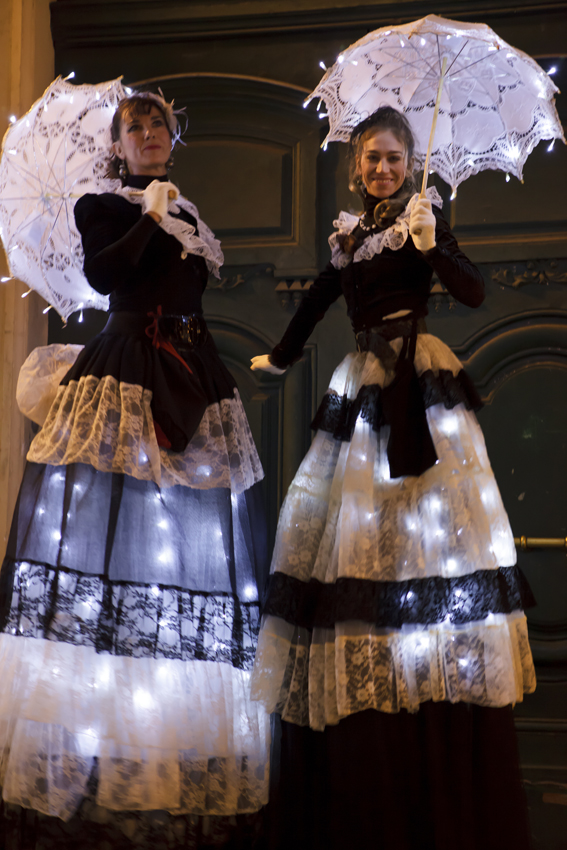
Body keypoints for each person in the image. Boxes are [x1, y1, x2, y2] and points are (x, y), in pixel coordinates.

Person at [249, 106, 536, 850]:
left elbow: (471, 291)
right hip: (365, 383)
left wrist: (432, 244)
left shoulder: (422, 216)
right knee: (358, 536)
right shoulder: (349, 234)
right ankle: (373, 696)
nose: (383, 168)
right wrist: (280, 356)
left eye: (394, 157)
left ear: (411, 162)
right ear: (355, 165)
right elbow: (318, 297)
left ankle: (430, 688)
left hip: (421, 382)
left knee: (429, 535)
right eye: (372, 158)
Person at [0, 92, 270, 849]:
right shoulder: (104, 205)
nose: (148, 135)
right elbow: (106, 273)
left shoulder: (190, 214)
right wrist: (145, 217)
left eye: (158, 126)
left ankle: (167, 749)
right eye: (134, 128)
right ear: (118, 145)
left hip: (192, 375)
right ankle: (97, 759)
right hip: (123, 377)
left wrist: (168, 217)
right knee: (110, 543)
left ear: (172, 138)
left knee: (188, 552)